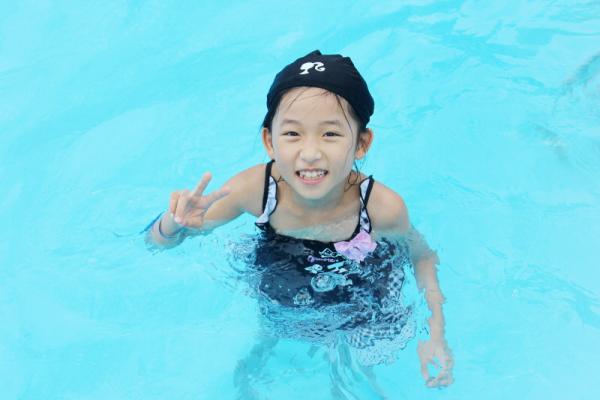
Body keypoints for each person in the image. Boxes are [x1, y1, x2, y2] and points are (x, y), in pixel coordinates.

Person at [145, 50, 454, 388]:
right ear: (269, 141)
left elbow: (422, 256)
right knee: (255, 366)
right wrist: (174, 222)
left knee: (353, 373)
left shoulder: (382, 208)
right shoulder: (254, 190)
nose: (310, 153)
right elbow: (158, 243)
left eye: (330, 134)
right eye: (293, 134)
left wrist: (435, 334)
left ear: (361, 143)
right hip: (283, 270)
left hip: (361, 281)